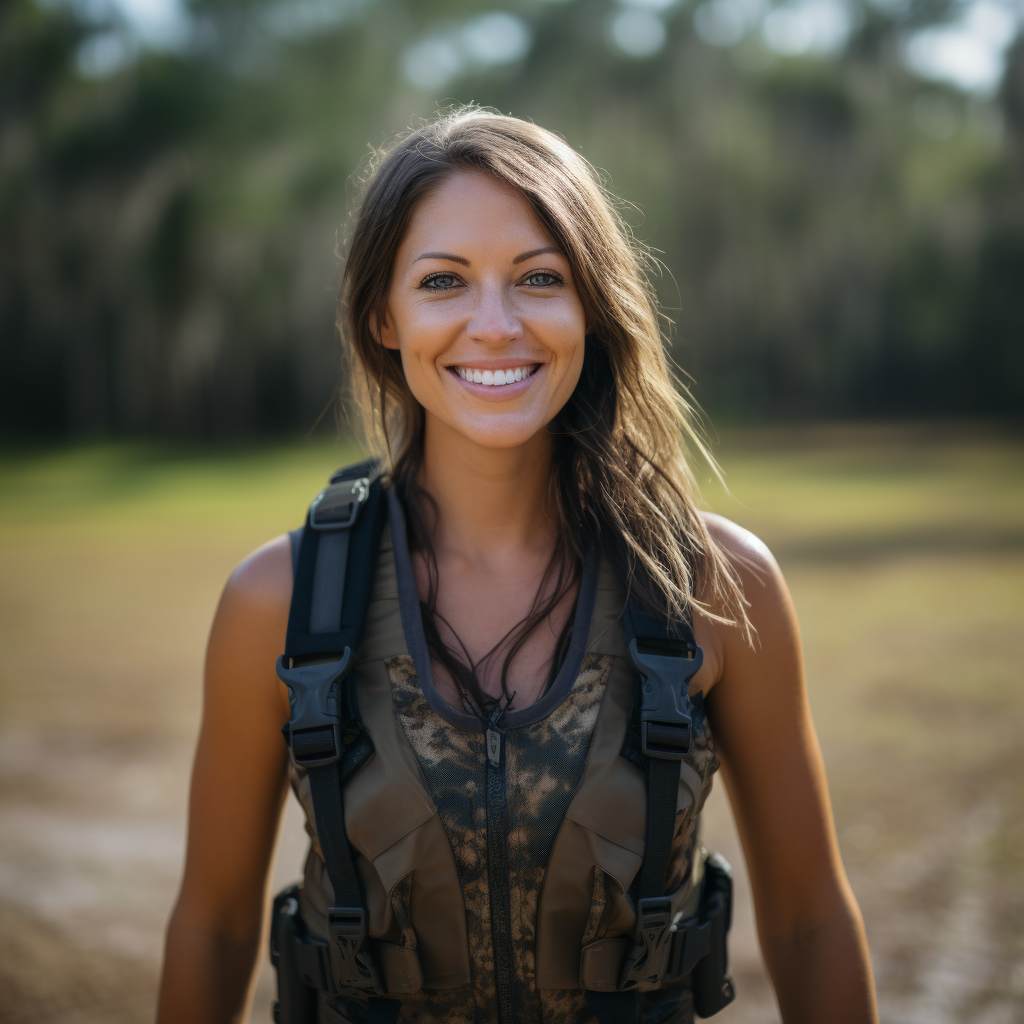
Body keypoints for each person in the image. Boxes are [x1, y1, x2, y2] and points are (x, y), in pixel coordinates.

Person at [155, 108, 879, 1024]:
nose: (494, 326)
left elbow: (812, 922)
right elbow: (214, 926)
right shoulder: (280, 602)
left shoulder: (717, 586)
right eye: (443, 281)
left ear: (591, 306)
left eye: (540, 278)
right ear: (384, 313)